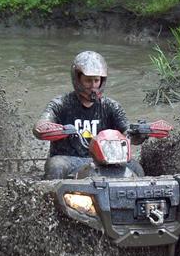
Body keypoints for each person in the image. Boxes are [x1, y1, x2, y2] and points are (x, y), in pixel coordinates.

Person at [33, 51, 146, 179]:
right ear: (77, 80)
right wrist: (48, 128)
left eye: (96, 81)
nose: (93, 86)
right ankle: (49, 198)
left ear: (102, 81)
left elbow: (127, 133)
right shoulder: (60, 104)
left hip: (105, 161)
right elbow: (41, 125)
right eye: (88, 81)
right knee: (55, 165)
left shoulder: (111, 106)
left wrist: (139, 134)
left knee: (136, 167)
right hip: (69, 160)